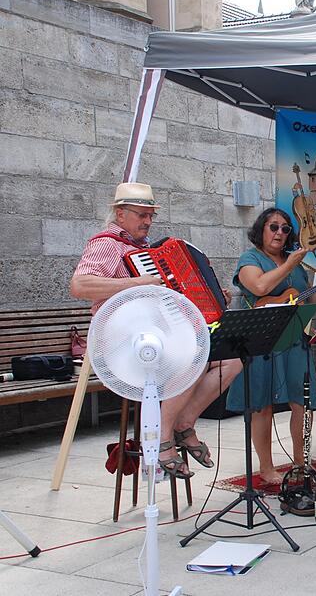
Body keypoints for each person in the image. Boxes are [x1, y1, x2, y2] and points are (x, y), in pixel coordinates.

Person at [70, 182, 242, 479]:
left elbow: (173, 298)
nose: (147, 222)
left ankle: (184, 422)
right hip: (123, 345)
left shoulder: (146, 250)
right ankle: (163, 439)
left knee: (235, 358)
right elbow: (80, 286)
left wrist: (211, 296)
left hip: (156, 338)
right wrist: (135, 283)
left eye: (151, 216)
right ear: (120, 214)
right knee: (193, 353)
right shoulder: (107, 243)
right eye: (141, 215)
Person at [226, 208, 316, 485]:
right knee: (262, 406)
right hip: (262, 340)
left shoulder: (296, 265)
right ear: (261, 229)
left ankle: (302, 461)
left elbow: (305, 301)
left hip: (293, 339)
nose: (279, 233)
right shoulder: (250, 258)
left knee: (303, 403)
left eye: (285, 229)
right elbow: (260, 287)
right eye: (273, 227)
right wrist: (288, 264)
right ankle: (266, 466)